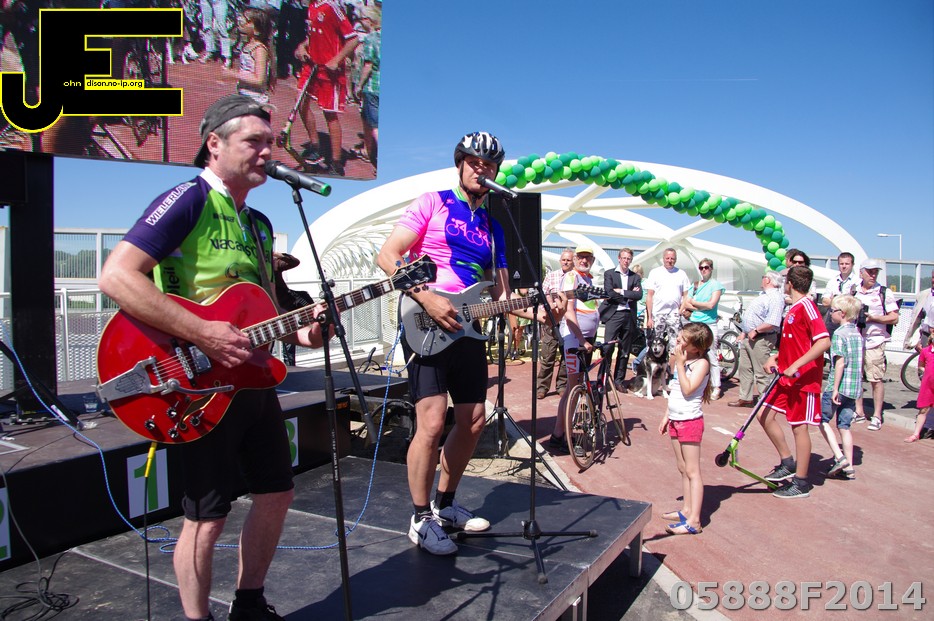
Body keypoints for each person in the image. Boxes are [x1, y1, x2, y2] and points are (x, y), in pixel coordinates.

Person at [98, 95, 334, 620]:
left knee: (277, 493)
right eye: (254, 141)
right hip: (194, 383)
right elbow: (116, 276)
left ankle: (248, 604)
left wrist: (308, 333)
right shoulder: (188, 200)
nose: (267, 152)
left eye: (271, 142)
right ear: (214, 144)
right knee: (207, 517)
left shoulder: (259, 224)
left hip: (250, 381)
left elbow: (266, 314)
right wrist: (202, 332)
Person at [375, 131, 563, 556]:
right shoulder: (433, 202)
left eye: (489, 165)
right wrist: (426, 296)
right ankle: (420, 518)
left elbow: (501, 297)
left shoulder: (494, 226)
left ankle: (445, 504)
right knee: (430, 423)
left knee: (474, 419)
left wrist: (539, 310)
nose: (482, 170)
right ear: (460, 164)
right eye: (475, 162)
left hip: (468, 329)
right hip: (424, 321)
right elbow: (388, 255)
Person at [759, 266, 831, 499]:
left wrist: (795, 366)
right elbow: (796, 342)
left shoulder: (807, 307)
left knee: (799, 427)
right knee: (764, 414)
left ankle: (801, 482)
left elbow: (823, 342)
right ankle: (787, 461)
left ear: (790, 283)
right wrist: (777, 357)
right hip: (785, 377)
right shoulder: (793, 308)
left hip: (803, 380)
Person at [293, 0, 360, 175]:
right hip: (311, 66)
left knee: (329, 114)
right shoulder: (312, 6)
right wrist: (303, 47)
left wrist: (336, 60)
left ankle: (336, 163)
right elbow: (312, 35)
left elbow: (353, 39)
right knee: (301, 102)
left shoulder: (331, 7)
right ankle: (315, 146)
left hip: (329, 71)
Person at [658, 322, 713, 535]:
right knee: (682, 468)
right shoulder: (685, 361)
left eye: (682, 340)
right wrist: (667, 415)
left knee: (692, 471)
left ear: (695, 348)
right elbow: (676, 390)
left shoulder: (701, 364)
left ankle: (694, 521)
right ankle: (687, 509)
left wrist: (680, 364)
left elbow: (688, 389)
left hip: (690, 421)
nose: (677, 341)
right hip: (676, 418)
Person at [550, 246, 599, 454]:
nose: (584, 260)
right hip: (574, 339)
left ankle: (558, 434)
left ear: (592, 260)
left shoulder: (588, 279)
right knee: (573, 390)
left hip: (585, 339)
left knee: (573, 388)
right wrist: (581, 340)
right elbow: (569, 313)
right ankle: (567, 437)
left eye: (588, 257)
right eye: (580, 257)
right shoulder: (572, 277)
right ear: (576, 259)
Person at [819, 294, 863, 480]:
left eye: (833, 311)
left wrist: (834, 388)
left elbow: (840, 363)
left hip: (839, 386)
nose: (830, 314)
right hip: (853, 388)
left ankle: (840, 457)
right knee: (844, 426)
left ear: (842, 313)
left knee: (822, 420)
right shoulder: (857, 334)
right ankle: (850, 467)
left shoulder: (839, 334)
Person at [853, 258, 900, 430]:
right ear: (861, 273)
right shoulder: (853, 291)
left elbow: (894, 317)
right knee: (856, 377)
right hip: (857, 340)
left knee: (875, 378)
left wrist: (873, 318)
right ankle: (858, 411)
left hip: (875, 341)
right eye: (869, 271)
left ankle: (877, 415)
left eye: (875, 272)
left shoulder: (883, 292)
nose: (873, 275)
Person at [728, 271, 785, 408]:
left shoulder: (775, 297)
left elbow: (773, 322)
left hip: (761, 338)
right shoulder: (764, 295)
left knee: (761, 371)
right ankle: (745, 398)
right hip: (750, 336)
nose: (762, 279)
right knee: (745, 368)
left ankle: (763, 400)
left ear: (768, 280)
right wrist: (744, 332)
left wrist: (756, 330)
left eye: (763, 277)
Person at [681, 258, 725, 400]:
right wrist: (700, 306)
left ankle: (716, 386)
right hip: (694, 323)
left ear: (711, 269)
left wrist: (695, 303)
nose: (704, 270)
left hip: (709, 324)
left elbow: (711, 304)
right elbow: (687, 303)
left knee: (711, 355)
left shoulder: (715, 285)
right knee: (690, 353)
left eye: (706, 267)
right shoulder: (695, 285)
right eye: (701, 268)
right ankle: (691, 383)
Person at [599, 247, 642, 392]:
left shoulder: (635, 277)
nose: (626, 261)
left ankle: (619, 381)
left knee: (625, 351)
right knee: (607, 348)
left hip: (629, 316)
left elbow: (639, 295)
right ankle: (603, 380)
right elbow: (609, 293)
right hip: (614, 315)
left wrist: (621, 291)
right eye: (624, 258)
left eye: (628, 258)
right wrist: (628, 296)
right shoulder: (610, 274)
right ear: (619, 258)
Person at [536, 248, 574, 399]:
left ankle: (562, 386)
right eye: (563, 260)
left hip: (569, 323)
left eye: (568, 260)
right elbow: (541, 297)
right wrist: (545, 313)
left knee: (565, 357)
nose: (566, 262)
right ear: (560, 261)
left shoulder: (576, 278)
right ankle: (542, 387)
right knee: (548, 355)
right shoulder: (551, 276)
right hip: (552, 322)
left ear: (573, 262)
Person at [644, 248, 691, 347]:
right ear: (663, 258)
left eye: (672, 258)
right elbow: (649, 296)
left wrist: (680, 311)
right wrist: (649, 318)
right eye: (667, 258)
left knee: (675, 344)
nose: (670, 261)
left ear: (676, 259)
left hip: (674, 315)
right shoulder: (655, 272)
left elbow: (686, 295)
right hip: (658, 314)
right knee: (655, 345)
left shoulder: (681, 274)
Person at [353, 3, 380, 167]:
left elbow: (368, 65)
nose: (360, 22)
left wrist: (359, 85)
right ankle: (367, 151)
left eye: (362, 19)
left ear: (370, 20)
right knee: (368, 119)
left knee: (375, 125)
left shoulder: (371, 39)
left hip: (372, 86)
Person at [236, 7, 276, 105]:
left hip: (256, 101)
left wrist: (234, 74)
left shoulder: (259, 50)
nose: (241, 21)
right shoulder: (247, 45)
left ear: (257, 30)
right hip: (245, 97)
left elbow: (259, 80)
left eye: (246, 20)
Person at [904, 338, 933, 442]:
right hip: (928, 385)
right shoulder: (925, 351)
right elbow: (921, 366)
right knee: (923, 409)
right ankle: (916, 434)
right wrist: (927, 372)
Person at [903, 268, 934, 351]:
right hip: (926, 338)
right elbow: (916, 321)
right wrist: (916, 341)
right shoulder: (923, 295)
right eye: (933, 277)